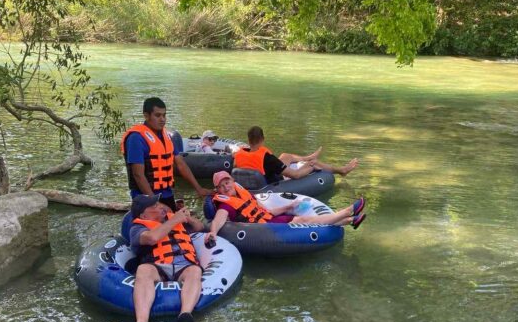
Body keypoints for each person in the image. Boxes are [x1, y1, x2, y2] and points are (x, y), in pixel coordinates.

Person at [120, 194, 206, 322]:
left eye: (159, 203)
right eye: (154, 206)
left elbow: (200, 227)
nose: (160, 206)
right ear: (143, 215)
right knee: (143, 270)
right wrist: (175, 220)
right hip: (157, 265)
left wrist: (187, 217)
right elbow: (152, 238)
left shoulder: (174, 219)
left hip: (184, 265)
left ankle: (185, 315)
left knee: (195, 270)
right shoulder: (137, 228)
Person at [203, 171, 366, 246]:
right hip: (264, 230)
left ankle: (351, 220)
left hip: (271, 220)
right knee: (304, 220)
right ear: (217, 189)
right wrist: (213, 232)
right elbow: (219, 219)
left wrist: (288, 206)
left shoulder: (244, 195)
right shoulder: (226, 205)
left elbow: (265, 211)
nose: (226, 187)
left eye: (228, 182)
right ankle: (348, 211)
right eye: (222, 185)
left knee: (301, 217)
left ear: (232, 181)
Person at [121, 97, 211, 212]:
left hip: (166, 193)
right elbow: (138, 175)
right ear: (146, 116)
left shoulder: (167, 136)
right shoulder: (136, 138)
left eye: (164, 115)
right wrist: (155, 204)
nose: (162, 119)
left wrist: (199, 189)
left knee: (178, 224)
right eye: (158, 115)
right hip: (144, 197)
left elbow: (181, 164)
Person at [233, 125, 358, 185]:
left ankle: (308, 157)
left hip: (260, 176)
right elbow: (295, 175)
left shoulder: (238, 154)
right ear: (263, 139)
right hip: (271, 182)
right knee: (315, 163)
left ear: (248, 140)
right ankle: (342, 170)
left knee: (285, 156)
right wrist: (310, 166)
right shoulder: (268, 158)